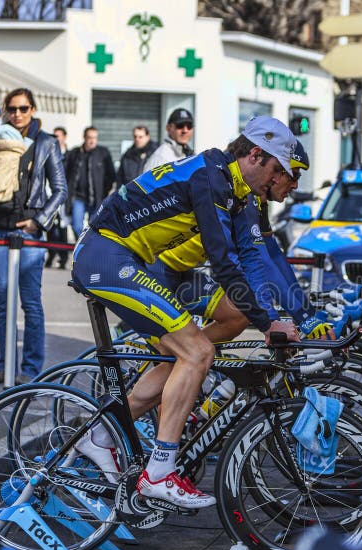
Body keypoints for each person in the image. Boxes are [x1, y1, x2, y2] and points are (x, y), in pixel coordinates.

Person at [70, 116, 299, 508]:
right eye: (278, 170)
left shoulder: (233, 188)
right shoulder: (211, 178)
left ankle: (100, 438)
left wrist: (278, 315)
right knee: (197, 352)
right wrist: (269, 322)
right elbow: (224, 264)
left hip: (127, 258)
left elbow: (250, 259)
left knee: (194, 350)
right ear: (256, 155)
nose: (279, 182)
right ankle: (159, 471)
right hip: (105, 255)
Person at [152, 140, 333, 343]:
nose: (296, 184)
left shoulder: (256, 199)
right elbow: (260, 262)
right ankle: (188, 356)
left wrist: (307, 315)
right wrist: (286, 319)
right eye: (293, 174)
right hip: (158, 270)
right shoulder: (243, 198)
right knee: (183, 352)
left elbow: (274, 255)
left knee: (236, 317)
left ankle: (193, 355)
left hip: (183, 273)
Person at [0, 88, 67, 385]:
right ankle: (5, 366)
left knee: (30, 302)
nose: (17, 114)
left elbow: (60, 189)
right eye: (12, 109)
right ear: (5, 110)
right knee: (3, 302)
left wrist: (38, 221)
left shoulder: (46, 142)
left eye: (23, 108)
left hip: (29, 232)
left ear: (33, 109)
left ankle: (31, 370)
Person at [64, 126, 116, 238]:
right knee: (76, 225)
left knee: (96, 226)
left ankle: (89, 248)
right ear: (84, 137)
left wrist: (105, 192)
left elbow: (111, 175)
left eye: (95, 138)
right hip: (78, 197)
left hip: (97, 198)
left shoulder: (103, 153)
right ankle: (83, 243)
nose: (92, 140)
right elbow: (65, 173)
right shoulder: (74, 153)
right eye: (89, 137)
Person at [45, 127, 70, 269]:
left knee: (62, 228)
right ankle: (51, 255)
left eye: (58, 136)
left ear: (64, 137)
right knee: (50, 227)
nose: (55, 138)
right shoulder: (48, 152)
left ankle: (64, 257)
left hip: (64, 196)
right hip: (49, 194)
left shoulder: (71, 155)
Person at [142, 108, 194, 172]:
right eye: (180, 126)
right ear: (168, 128)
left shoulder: (191, 154)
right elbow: (147, 181)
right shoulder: (161, 156)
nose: (185, 130)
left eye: (189, 126)